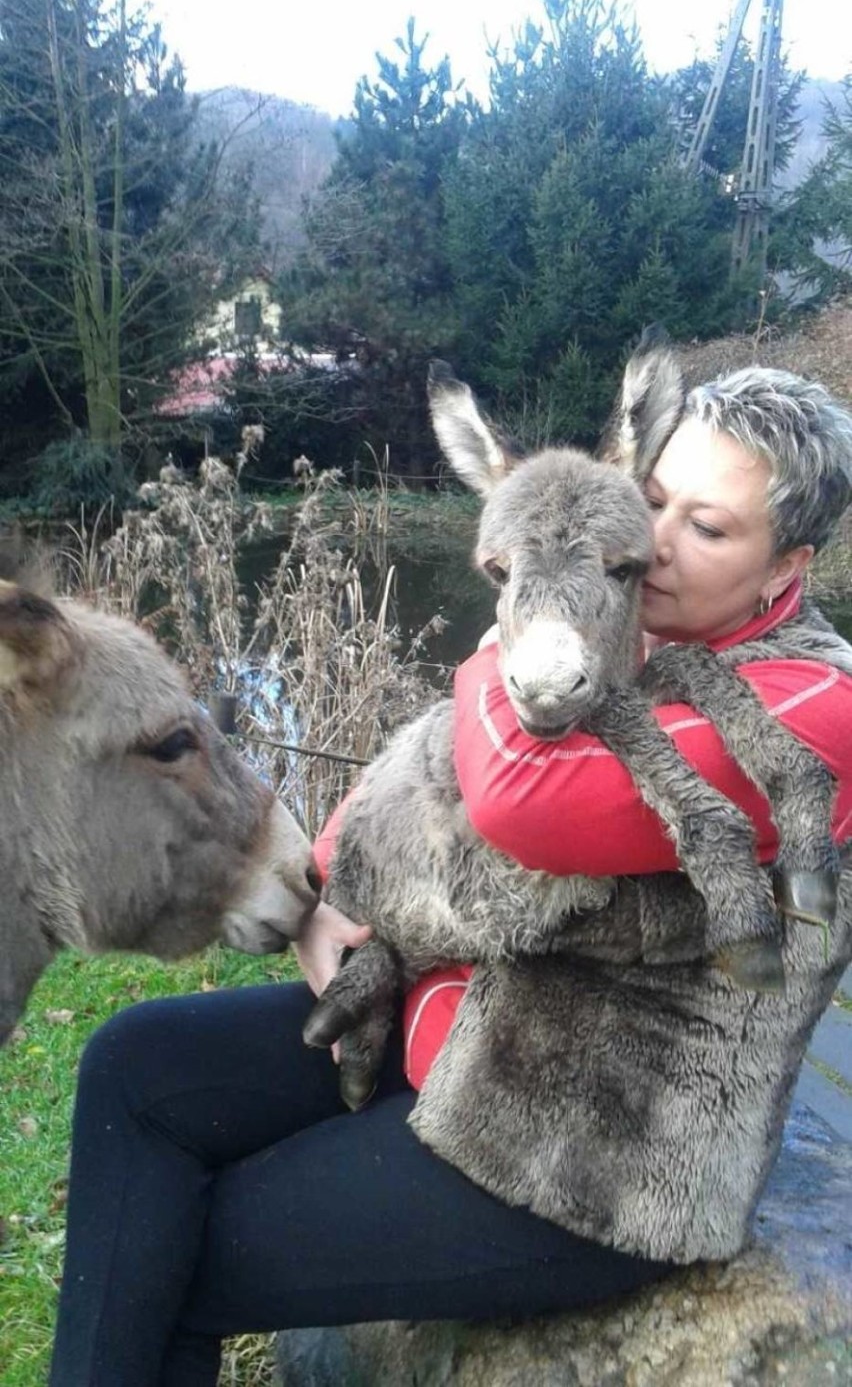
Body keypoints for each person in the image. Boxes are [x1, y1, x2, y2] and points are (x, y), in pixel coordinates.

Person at [49, 363, 852, 1386]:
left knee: (180, 1248)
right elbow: (432, 761)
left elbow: (522, 808)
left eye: (710, 528)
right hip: (469, 1031)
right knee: (134, 1063)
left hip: (589, 1154)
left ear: (789, 562)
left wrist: (503, 627)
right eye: (655, 500)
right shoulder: (625, 625)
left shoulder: (814, 708)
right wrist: (326, 880)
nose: (654, 541)